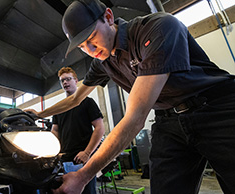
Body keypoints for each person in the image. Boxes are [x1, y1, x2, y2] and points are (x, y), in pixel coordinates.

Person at [25, 0, 235, 193]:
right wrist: (38, 113)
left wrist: (83, 176)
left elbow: (135, 118)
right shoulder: (102, 61)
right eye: (82, 47)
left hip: (217, 109)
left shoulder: (158, 28)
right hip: (168, 120)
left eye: (91, 38)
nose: (90, 50)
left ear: (108, 17)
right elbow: (74, 99)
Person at [52, 67, 105, 194]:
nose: (65, 82)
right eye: (62, 81)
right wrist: (55, 151)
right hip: (64, 160)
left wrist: (87, 153)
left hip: (82, 160)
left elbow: (100, 128)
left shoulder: (87, 102)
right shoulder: (59, 108)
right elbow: (55, 131)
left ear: (76, 81)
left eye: (68, 79)